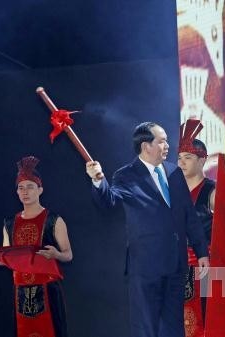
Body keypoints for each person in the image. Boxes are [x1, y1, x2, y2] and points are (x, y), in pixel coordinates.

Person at [85, 121, 210, 337]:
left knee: (173, 327)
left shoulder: (174, 172)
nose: (168, 146)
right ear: (146, 146)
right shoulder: (127, 175)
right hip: (146, 268)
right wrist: (98, 179)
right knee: (146, 327)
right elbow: (109, 201)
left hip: (176, 265)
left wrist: (201, 251)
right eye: (162, 141)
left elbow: (188, 214)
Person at [0, 156, 72, 337]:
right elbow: (8, 257)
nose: (25, 192)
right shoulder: (9, 223)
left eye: (30, 186)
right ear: (16, 192)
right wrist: (1, 259)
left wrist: (56, 254)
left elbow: (68, 255)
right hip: (19, 292)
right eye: (21, 188)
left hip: (48, 290)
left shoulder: (54, 220)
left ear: (40, 189)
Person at [177, 119, 216, 337]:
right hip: (176, 266)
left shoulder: (212, 193)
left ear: (202, 160)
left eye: (188, 158)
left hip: (203, 268)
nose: (181, 163)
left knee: (202, 322)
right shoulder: (173, 192)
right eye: (179, 158)